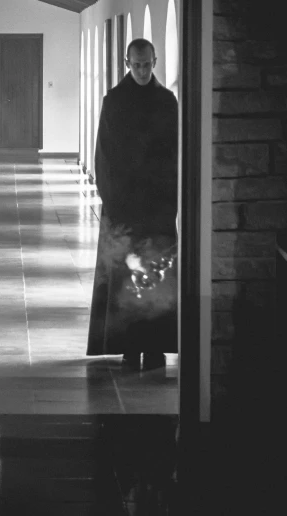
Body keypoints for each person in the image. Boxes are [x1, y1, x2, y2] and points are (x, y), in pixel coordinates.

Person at [86, 38, 178, 370]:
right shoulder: (114, 101)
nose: (142, 71)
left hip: (158, 206)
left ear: (155, 62)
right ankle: (128, 346)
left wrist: (171, 199)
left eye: (147, 64)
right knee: (124, 276)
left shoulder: (168, 102)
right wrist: (113, 202)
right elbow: (105, 156)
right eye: (136, 65)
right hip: (123, 206)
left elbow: (174, 156)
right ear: (128, 63)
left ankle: (155, 347)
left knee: (156, 273)